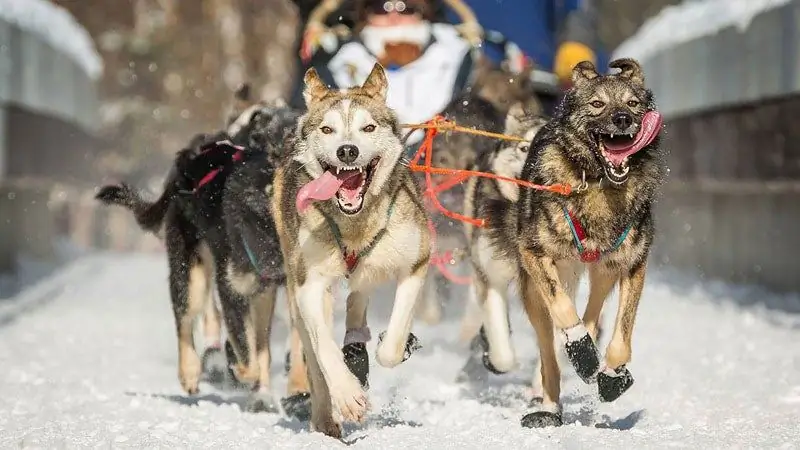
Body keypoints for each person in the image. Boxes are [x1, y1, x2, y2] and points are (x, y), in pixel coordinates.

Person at [289, 0, 482, 147]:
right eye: (381, 7)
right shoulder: (336, 61)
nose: (394, 17)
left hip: (441, 167)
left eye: (407, 7)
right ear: (365, 15)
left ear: (424, 12)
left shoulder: (457, 55)